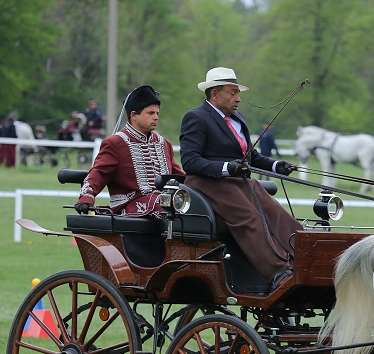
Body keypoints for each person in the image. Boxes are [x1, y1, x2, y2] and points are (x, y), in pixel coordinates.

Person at [179, 67, 299, 288]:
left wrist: (275, 165)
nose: (238, 99)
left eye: (237, 93)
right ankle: (279, 273)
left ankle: (304, 258)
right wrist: (227, 168)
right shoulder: (196, 117)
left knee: (275, 212)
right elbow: (190, 161)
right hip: (208, 183)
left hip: (238, 181)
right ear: (215, 94)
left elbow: (249, 156)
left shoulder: (237, 120)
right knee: (249, 217)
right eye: (232, 93)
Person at [73, 85, 183, 218]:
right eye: (150, 113)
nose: (156, 117)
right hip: (129, 206)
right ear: (134, 115)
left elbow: (179, 177)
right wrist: (86, 197)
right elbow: (98, 173)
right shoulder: (116, 143)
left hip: (163, 203)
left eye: (157, 113)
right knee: (163, 204)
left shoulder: (164, 143)